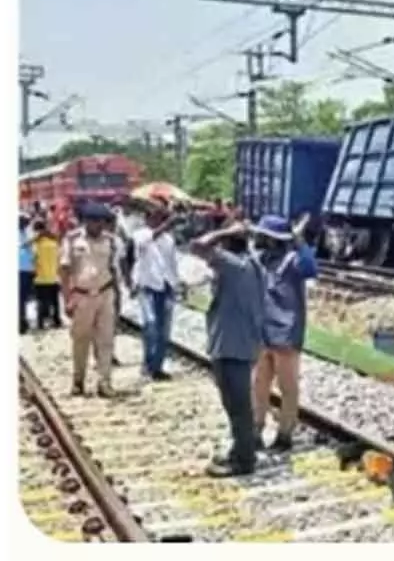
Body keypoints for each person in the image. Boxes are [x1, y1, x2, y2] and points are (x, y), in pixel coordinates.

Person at [187, 221, 264, 477]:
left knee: (237, 406)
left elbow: (196, 246)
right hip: (243, 343)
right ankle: (240, 451)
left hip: (229, 345)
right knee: (239, 405)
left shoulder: (233, 266)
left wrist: (222, 231)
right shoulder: (253, 265)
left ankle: (244, 461)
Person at [251, 214, 317, 452]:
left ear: (272, 239)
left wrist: (300, 241)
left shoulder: (292, 262)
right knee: (259, 384)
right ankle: (255, 429)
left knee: (288, 387)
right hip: (263, 333)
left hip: (286, 335)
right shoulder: (260, 261)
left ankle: (285, 434)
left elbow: (310, 268)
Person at [59, 203, 121, 397]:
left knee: (106, 340)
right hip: (82, 295)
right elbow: (64, 271)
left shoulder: (111, 241)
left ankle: (105, 382)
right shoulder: (72, 240)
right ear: (86, 221)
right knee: (80, 340)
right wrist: (67, 298)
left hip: (105, 293)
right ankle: (78, 381)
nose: (99, 225)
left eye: (102, 221)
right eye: (95, 221)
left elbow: (114, 269)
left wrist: (118, 296)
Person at [131, 200, 182, 381]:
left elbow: (172, 263)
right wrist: (166, 226)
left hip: (166, 286)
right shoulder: (140, 234)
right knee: (150, 324)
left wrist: (177, 284)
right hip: (148, 286)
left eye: (163, 217)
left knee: (164, 330)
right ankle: (147, 362)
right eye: (157, 217)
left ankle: (156, 367)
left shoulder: (169, 239)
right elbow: (144, 242)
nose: (161, 220)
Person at [31, 220, 61, 330]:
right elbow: (59, 258)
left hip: (40, 278)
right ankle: (57, 321)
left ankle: (41, 323)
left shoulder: (36, 245)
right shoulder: (54, 244)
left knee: (41, 301)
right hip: (54, 277)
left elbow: (33, 260)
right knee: (55, 301)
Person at [19, 214, 36, 335]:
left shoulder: (27, 233)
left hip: (26, 270)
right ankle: (21, 321)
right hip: (23, 270)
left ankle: (22, 321)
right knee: (21, 298)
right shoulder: (27, 234)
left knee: (22, 298)